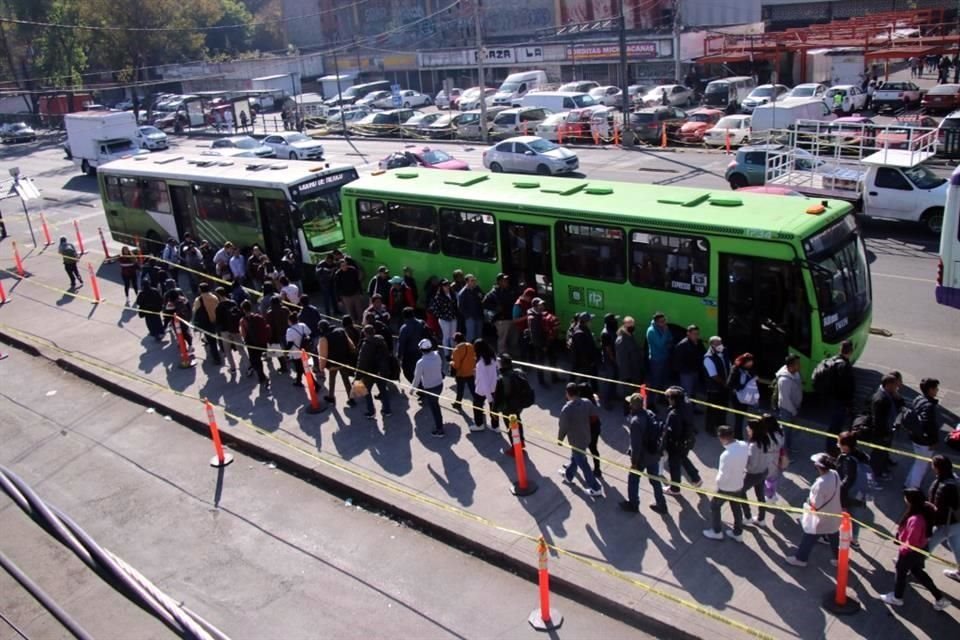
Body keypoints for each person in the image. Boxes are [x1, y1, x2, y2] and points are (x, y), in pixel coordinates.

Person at [881, 488, 951, 610]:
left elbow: (911, 542)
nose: (905, 500)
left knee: (901, 573)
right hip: (921, 548)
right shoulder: (926, 509)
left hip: (910, 552)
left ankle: (897, 598)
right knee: (918, 572)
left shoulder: (916, 520)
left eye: (906, 498)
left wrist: (902, 547)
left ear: (911, 501)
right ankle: (939, 598)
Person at [785, 453, 842, 567]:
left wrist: (808, 501)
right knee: (834, 534)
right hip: (835, 512)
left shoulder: (820, 483)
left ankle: (801, 559)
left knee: (809, 535)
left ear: (818, 467)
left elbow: (816, 504)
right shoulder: (835, 474)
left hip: (821, 517)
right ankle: (839, 559)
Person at [620, 392, 667, 513]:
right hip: (653, 453)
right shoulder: (650, 413)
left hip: (642, 457)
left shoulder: (635, 422)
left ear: (632, 405)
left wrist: (634, 462)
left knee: (633, 479)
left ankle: (633, 504)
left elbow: (636, 446)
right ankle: (661, 504)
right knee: (654, 479)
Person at [703, 426, 749, 542]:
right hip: (738, 483)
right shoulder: (744, 445)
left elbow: (723, 476)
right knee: (736, 508)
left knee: (714, 506)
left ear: (721, 438)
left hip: (726, 487)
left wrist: (718, 484)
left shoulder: (726, 455)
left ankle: (717, 531)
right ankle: (738, 533)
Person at [558, 383, 603, 497]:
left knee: (583, 464)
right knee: (576, 457)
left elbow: (563, 426)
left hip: (576, 440)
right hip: (586, 437)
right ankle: (568, 476)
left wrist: (560, 439)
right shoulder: (587, 402)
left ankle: (595, 488)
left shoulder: (566, 409)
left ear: (567, 394)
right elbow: (594, 415)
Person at [927, 455, 960, 582]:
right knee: (957, 547)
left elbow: (938, 509)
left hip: (946, 524)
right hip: (957, 523)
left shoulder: (943, 487)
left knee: (926, 545)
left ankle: (911, 566)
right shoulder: (955, 479)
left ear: (937, 468)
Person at [663, 386, 701, 495]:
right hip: (688, 440)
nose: (668, 400)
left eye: (669, 398)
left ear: (674, 400)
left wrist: (665, 444)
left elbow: (673, 433)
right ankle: (696, 478)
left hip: (677, 444)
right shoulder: (687, 405)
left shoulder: (674, 415)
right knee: (683, 458)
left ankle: (675, 488)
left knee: (674, 465)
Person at [837, 431, 871, 549]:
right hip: (861, 493)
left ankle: (838, 537)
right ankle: (854, 540)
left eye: (839, 443)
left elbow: (847, 479)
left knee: (842, 516)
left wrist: (839, 493)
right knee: (857, 518)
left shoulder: (847, 459)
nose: (838, 445)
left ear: (845, 446)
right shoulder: (863, 456)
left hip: (849, 493)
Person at [819, 340, 856, 446]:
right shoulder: (844, 366)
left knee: (835, 424)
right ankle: (832, 446)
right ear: (851, 351)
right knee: (836, 425)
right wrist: (849, 403)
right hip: (840, 401)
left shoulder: (834, 360)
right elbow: (845, 387)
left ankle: (832, 444)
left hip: (833, 398)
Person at [906, 378, 941, 489]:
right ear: (930, 390)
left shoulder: (918, 398)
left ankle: (908, 484)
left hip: (915, 437)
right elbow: (928, 425)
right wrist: (933, 441)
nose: (937, 390)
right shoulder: (929, 406)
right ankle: (913, 488)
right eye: (936, 388)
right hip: (924, 442)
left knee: (918, 462)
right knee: (921, 465)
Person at [742, 418, 778, 526]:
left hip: (753, 474)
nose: (747, 429)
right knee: (760, 495)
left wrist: (744, 466)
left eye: (749, 427)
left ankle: (747, 516)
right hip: (764, 471)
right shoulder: (766, 440)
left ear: (754, 430)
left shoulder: (753, 446)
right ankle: (761, 519)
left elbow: (752, 465)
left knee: (740, 492)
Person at [492, 354, 531, 454]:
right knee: (518, 423)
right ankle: (521, 442)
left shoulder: (501, 379)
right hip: (518, 405)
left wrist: (494, 411)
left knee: (511, 428)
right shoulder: (517, 373)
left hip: (508, 408)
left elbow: (497, 398)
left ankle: (516, 448)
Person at [866, 373, 900, 480]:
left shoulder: (888, 394)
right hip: (881, 433)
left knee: (883, 453)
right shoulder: (880, 399)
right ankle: (875, 474)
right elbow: (878, 420)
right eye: (895, 385)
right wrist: (884, 434)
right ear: (888, 385)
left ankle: (882, 468)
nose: (897, 387)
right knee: (878, 454)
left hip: (887, 431)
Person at [356, 324, 392, 419]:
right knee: (383, 390)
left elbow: (362, 362)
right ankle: (387, 410)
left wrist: (357, 377)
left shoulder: (366, 345)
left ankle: (371, 411)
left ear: (365, 333)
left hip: (369, 373)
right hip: (381, 371)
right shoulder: (381, 341)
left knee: (366, 392)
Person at [412, 338, 446, 438]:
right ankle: (439, 425)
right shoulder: (437, 355)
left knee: (435, 408)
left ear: (421, 350)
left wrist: (412, 389)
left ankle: (440, 429)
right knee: (436, 405)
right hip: (439, 385)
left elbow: (417, 378)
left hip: (430, 388)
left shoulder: (420, 363)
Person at [319, 320, 356, 407]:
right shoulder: (341, 331)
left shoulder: (324, 338)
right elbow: (351, 344)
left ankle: (331, 397)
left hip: (333, 364)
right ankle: (351, 399)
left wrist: (321, 367)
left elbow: (323, 355)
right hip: (344, 361)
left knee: (332, 380)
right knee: (346, 380)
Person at [526, 297, 559, 385]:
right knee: (540, 363)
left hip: (548, 341)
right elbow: (535, 334)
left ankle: (554, 377)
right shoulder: (533, 318)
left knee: (553, 359)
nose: (542, 306)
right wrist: (543, 346)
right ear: (535, 306)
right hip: (540, 344)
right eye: (540, 305)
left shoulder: (541, 314)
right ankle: (541, 381)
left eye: (542, 304)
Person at [451, 333, 480, 430]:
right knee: (473, 389)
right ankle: (478, 404)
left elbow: (457, 365)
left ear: (456, 340)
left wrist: (451, 363)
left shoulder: (456, 350)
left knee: (460, 390)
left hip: (461, 374)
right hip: (471, 372)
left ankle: (458, 403)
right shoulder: (470, 346)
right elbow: (474, 357)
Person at [774, 354, 803, 452]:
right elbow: (785, 399)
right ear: (791, 366)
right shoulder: (784, 380)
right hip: (787, 409)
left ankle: (787, 449)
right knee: (786, 432)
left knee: (790, 431)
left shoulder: (796, 373)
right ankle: (783, 453)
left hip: (794, 408)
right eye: (798, 364)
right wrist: (794, 412)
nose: (800, 366)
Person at [727, 353, 760, 440]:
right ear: (744, 362)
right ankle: (738, 437)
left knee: (744, 417)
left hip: (747, 398)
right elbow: (729, 384)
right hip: (737, 398)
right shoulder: (735, 369)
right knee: (739, 417)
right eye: (749, 361)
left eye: (752, 361)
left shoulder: (750, 369)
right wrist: (742, 386)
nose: (751, 363)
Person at [215, 286, 247, 373]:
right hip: (235, 329)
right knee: (241, 349)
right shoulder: (233, 302)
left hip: (225, 331)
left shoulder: (218, 307)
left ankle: (232, 368)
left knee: (227, 350)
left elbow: (218, 321)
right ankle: (249, 366)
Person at [614, 316, 643, 410]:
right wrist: (626, 376)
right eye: (630, 325)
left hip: (634, 370)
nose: (632, 327)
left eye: (633, 325)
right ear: (625, 325)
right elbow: (622, 360)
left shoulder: (629, 335)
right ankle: (627, 410)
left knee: (633, 393)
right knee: (628, 394)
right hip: (628, 373)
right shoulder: (621, 340)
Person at [702, 336, 730, 436]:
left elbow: (728, 365)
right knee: (712, 410)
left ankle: (721, 426)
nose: (720, 345)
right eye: (717, 344)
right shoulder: (708, 358)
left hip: (724, 386)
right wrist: (725, 383)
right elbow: (713, 375)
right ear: (712, 345)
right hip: (714, 388)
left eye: (720, 343)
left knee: (723, 407)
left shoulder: (724, 352)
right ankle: (710, 428)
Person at [483, 273, 516, 355]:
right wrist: (495, 308)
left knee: (513, 339)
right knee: (502, 339)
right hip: (501, 319)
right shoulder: (494, 293)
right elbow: (484, 303)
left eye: (507, 280)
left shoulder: (510, 290)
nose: (507, 282)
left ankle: (512, 355)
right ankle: (502, 356)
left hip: (511, 318)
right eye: (504, 280)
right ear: (499, 282)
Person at [239, 300, 269, 386]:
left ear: (243, 310)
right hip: (260, 342)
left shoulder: (243, 321)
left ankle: (261, 376)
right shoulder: (258, 317)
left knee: (255, 361)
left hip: (251, 344)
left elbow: (243, 334)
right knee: (258, 359)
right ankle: (262, 376)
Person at [672, 324, 704, 404]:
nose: (696, 336)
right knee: (687, 393)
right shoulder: (682, 345)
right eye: (694, 334)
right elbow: (677, 362)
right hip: (686, 373)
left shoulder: (698, 343)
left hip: (695, 371)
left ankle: (692, 408)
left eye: (697, 334)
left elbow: (702, 354)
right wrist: (685, 370)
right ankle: (686, 411)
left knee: (694, 392)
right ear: (688, 334)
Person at [192, 282, 222, 366]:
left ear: (200, 290)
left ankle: (217, 359)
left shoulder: (199, 300)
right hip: (216, 320)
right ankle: (223, 350)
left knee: (212, 342)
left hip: (206, 323)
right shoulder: (214, 297)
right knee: (219, 336)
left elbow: (194, 310)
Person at [578, 381, 603, 479]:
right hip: (595, 428)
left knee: (579, 450)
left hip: (588, 430)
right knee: (594, 449)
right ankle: (597, 468)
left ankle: (573, 467)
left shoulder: (584, 404)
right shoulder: (594, 399)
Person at [645, 312, 673, 397]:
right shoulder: (651, 331)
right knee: (655, 382)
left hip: (664, 357)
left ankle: (660, 397)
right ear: (656, 322)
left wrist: (667, 340)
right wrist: (665, 333)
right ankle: (652, 401)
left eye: (665, 320)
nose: (664, 323)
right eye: (662, 321)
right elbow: (660, 344)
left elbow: (670, 338)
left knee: (663, 380)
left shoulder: (664, 328)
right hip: (656, 360)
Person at [429, 279, 459, 357]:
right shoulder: (438, 297)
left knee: (453, 336)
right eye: (445, 285)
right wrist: (442, 316)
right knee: (446, 336)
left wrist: (456, 313)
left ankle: (453, 352)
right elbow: (435, 309)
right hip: (444, 320)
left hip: (453, 318)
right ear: (441, 287)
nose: (447, 287)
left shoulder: (452, 294)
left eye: (448, 285)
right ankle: (446, 354)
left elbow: (456, 306)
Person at [473, 338, 498, 430]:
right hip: (494, 387)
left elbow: (484, 382)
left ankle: (479, 424)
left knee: (477, 406)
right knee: (494, 408)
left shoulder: (480, 364)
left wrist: (489, 398)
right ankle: (495, 426)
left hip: (482, 390)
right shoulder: (493, 357)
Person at [397, 307, 427, 385]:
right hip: (422, 351)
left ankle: (420, 388)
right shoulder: (422, 323)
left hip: (409, 354)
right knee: (422, 371)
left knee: (408, 372)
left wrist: (399, 356)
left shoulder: (404, 328)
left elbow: (401, 343)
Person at [569, 312, 600, 386]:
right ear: (586, 322)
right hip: (585, 362)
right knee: (584, 379)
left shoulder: (585, 329)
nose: (591, 322)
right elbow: (583, 351)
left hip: (588, 361)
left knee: (592, 377)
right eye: (590, 320)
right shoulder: (579, 333)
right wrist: (589, 362)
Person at [333, 258, 365, 323]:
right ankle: (354, 323)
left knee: (360, 310)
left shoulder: (352, 270)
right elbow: (337, 288)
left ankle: (361, 322)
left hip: (355, 294)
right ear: (340, 267)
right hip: (346, 296)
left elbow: (357, 282)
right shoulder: (338, 274)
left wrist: (361, 293)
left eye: (345, 265)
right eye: (342, 265)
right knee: (350, 311)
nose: (344, 267)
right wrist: (338, 300)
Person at [285, 312, 311, 387]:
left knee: (302, 369)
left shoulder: (290, 331)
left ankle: (315, 384)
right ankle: (298, 381)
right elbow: (309, 334)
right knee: (301, 368)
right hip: (305, 350)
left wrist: (285, 352)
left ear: (290, 321)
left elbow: (289, 344)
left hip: (296, 353)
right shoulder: (303, 325)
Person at [599, 314, 619, 408]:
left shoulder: (611, 330)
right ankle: (605, 401)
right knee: (608, 380)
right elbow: (608, 349)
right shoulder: (606, 333)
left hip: (613, 359)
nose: (616, 322)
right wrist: (614, 360)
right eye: (614, 321)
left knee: (614, 379)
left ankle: (613, 395)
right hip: (609, 360)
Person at [457, 274, 484, 343]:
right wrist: (467, 316)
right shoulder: (462, 293)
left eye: (474, 280)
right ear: (467, 282)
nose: (474, 282)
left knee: (479, 336)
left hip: (479, 316)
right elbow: (460, 307)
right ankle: (470, 351)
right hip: (470, 318)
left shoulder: (477, 288)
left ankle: (478, 351)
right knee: (471, 336)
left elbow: (483, 297)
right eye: (472, 280)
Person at [266, 296, 290, 373]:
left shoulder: (270, 313)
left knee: (278, 352)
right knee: (288, 346)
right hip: (287, 331)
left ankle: (284, 366)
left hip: (276, 334)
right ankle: (290, 358)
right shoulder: (285, 309)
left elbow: (268, 325)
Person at [512, 287, 536, 353]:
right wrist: (527, 316)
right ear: (526, 296)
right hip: (521, 331)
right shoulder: (518, 305)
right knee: (524, 349)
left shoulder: (528, 303)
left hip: (529, 329)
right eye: (530, 298)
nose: (531, 300)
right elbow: (515, 320)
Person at [314, 253, 338, 317]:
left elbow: (336, 272)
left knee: (334, 298)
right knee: (326, 299)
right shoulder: (321, 265)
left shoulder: (334, 264)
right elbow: (317, 274)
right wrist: (328, 271)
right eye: (329, 261)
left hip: (332, 283)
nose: (330, 263)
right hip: (324, 284)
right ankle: (328, 314)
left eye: (331, 261)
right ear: (326, 260)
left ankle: (336, 311)